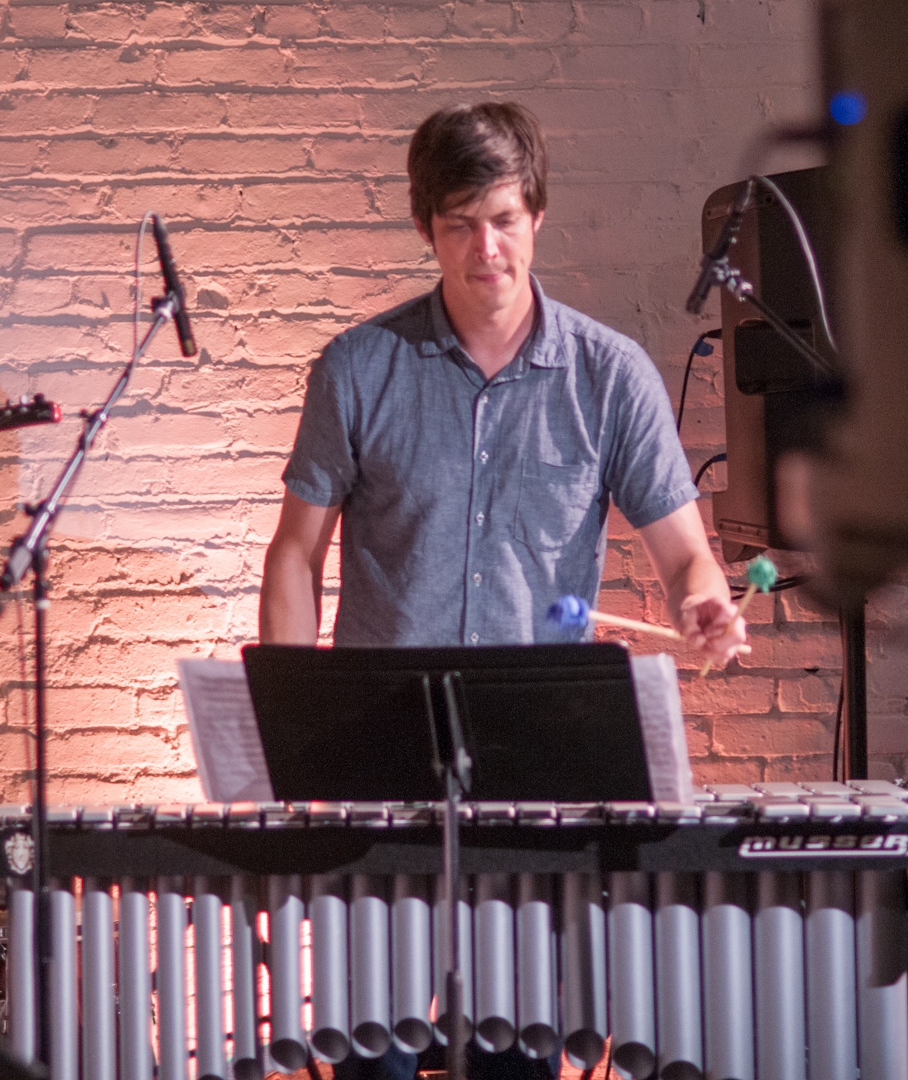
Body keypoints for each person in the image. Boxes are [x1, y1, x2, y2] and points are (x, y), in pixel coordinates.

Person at [258, 102, 746, 1078]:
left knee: (515, 1061)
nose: (484, 248)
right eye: (457, 224)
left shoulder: (608, 378)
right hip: (377, 773)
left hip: (533, 776)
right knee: (372, 1058)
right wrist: (289, 727)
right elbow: (293, 556)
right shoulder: (360, 368)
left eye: (504, 218)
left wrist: (700, 597)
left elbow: (686, 557)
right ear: (424, 229)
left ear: (536, 215)